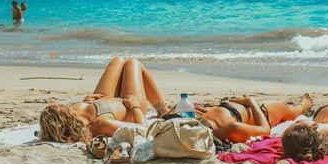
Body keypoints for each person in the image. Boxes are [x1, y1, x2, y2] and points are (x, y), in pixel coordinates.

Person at [38, 56, 169, 143]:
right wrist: (135, 107)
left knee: (117, 60)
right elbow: (141, 130)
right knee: (133, 63)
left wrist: (85, 101)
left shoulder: (73, 110)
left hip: (103, 101)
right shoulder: (99, 124)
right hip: (128, 104)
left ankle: (162, 109)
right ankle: (162, 110)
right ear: (64, 120)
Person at [192, 94, 313, 143]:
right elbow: (265, 130)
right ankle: (302, 106)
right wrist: (251, 102)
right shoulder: (230, 127)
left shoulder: (195, 121)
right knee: (283, 106)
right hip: (258, 112)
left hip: (233, 108)